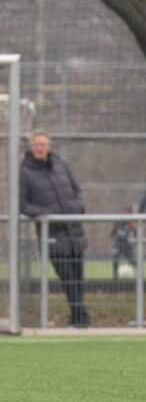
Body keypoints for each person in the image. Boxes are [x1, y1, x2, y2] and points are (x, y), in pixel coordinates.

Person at [20, 129, 90, 328]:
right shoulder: (25, 172)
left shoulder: (60, 164)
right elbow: (23, 204)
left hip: (74, 232)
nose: (40, 148)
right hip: (53, 235)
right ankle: (82, 317)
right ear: (31, 147)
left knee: (78, 278)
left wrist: (78, 207)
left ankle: (77, 319)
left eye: (43, 144)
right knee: (67, 278)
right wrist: (44, 214)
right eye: (36, 144)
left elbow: (76, 189)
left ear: (48, 146)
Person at [110, 209, 137, 279]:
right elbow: (112, 233)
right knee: (115, 258)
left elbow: (136, 234)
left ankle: (140, 271)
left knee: (130, 259)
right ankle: (115, 276)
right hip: (118, 244)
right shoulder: (118, 222)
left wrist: (134, 244)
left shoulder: (131, 224)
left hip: (126, 244)